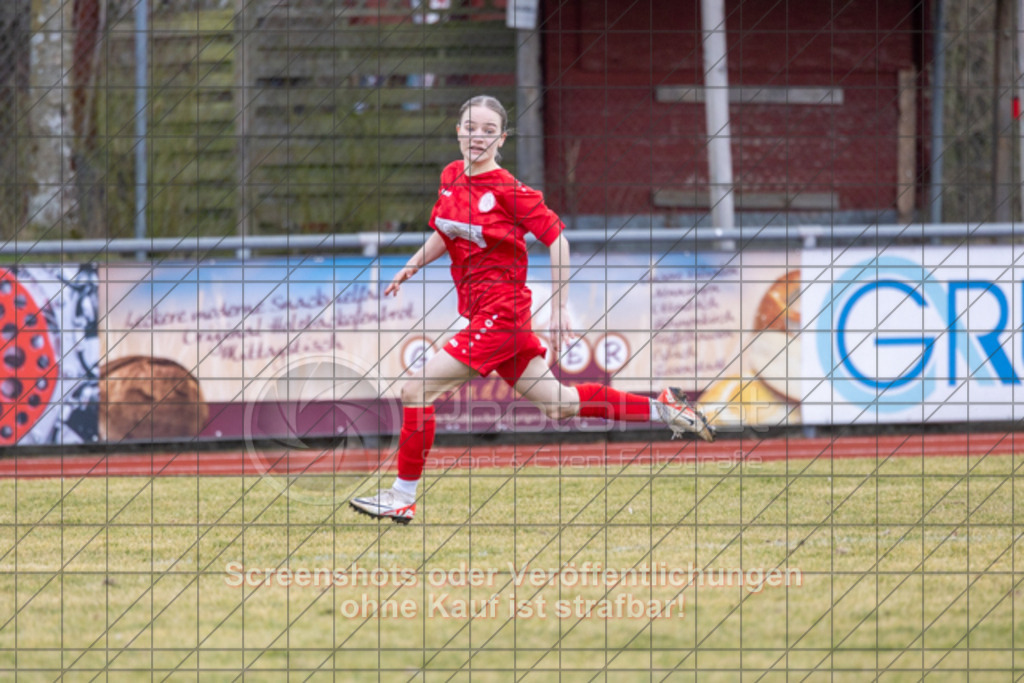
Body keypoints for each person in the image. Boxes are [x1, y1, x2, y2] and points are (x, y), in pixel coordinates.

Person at [350, 95, 715, 524]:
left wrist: (559, 308)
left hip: (500, 316)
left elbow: (558, 239)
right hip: (491, 318)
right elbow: (445, 232)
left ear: (502, 139)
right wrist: (412, 265)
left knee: (416, 391)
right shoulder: (451, 177)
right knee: (560, 404)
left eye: (489, 131)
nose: (478, 137)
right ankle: (665, 409)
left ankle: (401, 496)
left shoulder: (508, 189)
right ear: (459, 131)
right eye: (472, 127)